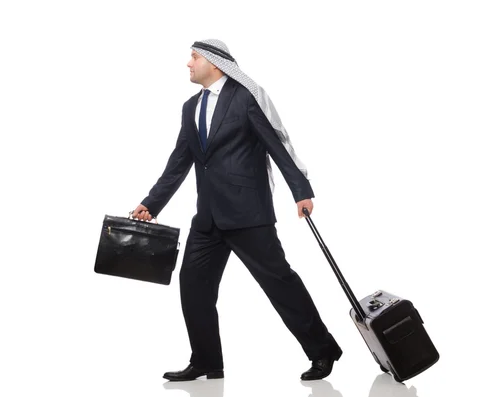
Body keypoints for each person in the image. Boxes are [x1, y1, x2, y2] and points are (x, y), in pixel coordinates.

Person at [131, 39, 342, 382]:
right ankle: (206, 361)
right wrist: (151, 203)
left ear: (215, 63)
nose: (188, 63)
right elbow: (179, 163)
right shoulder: (190, 107)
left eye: (194, 57)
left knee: (280, 285)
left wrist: (300, 190)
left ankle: (323, 351)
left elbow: (277, 142)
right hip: (208, 218)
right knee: (193, 285)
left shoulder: (245, 97)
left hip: (249, 214)